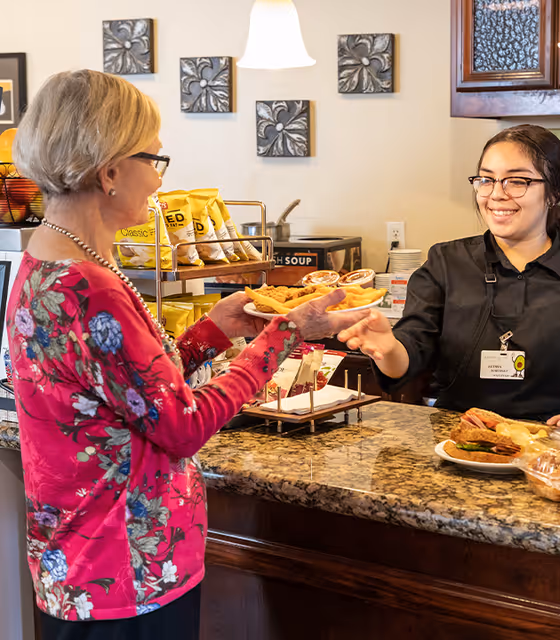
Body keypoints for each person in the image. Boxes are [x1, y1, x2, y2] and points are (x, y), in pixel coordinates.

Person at [7, 69, 369, 639]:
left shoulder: (44, 262)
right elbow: (182, 425)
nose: (156, 181)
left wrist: (211, 334)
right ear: (109, 172)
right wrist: (286, 334)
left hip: (76, 562)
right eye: (153, 160)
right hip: (128, 569)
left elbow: (128, 391)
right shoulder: (94, 288)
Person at [339, 124, 560, 423]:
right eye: (486, 179)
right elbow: (411, 350)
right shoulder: (446, 261)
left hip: (555, 449)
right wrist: (390, 348)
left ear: (553, 193)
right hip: (457, 442)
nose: (496, 194)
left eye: (516, 181)